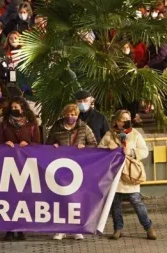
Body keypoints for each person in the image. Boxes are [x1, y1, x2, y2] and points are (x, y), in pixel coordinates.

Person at [99, 110, 156, 241]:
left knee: (137, 202)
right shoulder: (109, 135)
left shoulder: (135, 134)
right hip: (115, 175)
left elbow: (145, 151)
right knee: (116, 204)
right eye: (122, 119)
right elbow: (99, 150)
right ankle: (118, 229)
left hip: (130, 174)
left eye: (127, 118)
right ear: (116, 121)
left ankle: (149, 227)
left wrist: (130, 152)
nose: (125, 121)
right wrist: (108, 150)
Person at [48, 103, 96, 241]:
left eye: (73, 114)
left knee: (76, 200)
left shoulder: (84, 128)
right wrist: (53, 146)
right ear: (64, 115)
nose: (71, 117)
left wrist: (85, 147)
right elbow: (47, 144)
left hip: (79, 169)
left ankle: (77, 229)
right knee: (61, 199)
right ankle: (61, 229)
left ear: (77, 115)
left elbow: (94, 144)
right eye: (68, 114)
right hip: (61, 169)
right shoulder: (56, 128)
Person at [0, 97, 40, 241]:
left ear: (23, 107)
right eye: (12, 107)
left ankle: (21, 229)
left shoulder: (32, 123)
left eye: (17, 107)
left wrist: (28, 143)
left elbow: (38, 143)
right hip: (8, 166)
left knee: (23, 198)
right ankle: (9, 229)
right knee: (9, 199)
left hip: (25, 166)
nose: (14, 109)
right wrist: (5, 143)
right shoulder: (4, 123)